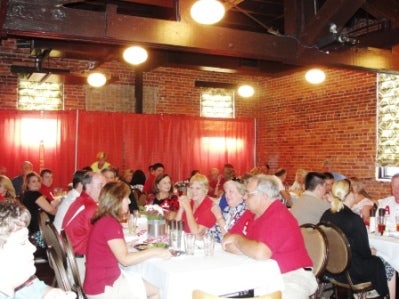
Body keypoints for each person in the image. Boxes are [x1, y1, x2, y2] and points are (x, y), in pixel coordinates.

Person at [222, 174, 317, 299]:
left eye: (249, 194)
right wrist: (249, 248)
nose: (244, 197)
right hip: (263, 273)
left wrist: (238, 239)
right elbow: (226, 240)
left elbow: (261, 253)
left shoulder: (279, 216)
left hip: (292, 277)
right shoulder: (250, 213)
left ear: (264, 196)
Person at [84, 181, 171, 299]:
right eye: (126, 198)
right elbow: (125, 260)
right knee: (157, 290)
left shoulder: (105, 220)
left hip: (97, 282)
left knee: (144, 279)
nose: (130, 201)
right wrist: (155, 251)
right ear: (117, 200)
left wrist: (125, 244)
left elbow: (108, 248)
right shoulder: (110, 223)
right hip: (105, 288)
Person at [320, 179, 389, 298]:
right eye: (353, 192)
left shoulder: (326, 214)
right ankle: (379, 295)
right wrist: (372, 251)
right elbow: (364, 253)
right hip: (351, 272)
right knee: (379, 262)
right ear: (349, 195)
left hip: (331, 268)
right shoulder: (354, 219)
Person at [0, 200, 76, 299]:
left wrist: (50, 294)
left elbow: (34, 288)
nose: (33, 248)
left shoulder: (18, 278)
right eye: (22, 242)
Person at [62, 172, 106, 280]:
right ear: (88, 186)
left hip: (69, 257)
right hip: (78, 265)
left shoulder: (81, 200)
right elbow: (103, 239)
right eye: (101, 186)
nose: (104, 190)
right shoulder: (91, 207)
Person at [21, 172, 57, 257]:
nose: (37, 183)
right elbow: (51, 210)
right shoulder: (34, 194)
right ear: (27, 184)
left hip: (33, 230)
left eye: (38, 181)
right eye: (33, 181)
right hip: (40, 232)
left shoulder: (26, 194)